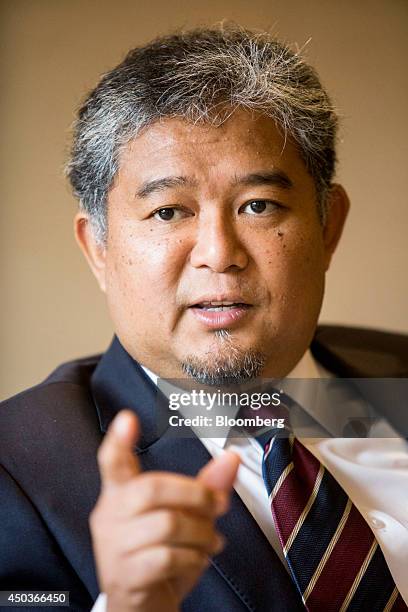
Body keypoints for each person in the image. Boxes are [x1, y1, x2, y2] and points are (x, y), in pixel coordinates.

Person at [0, 24, 407, 612]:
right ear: (100, 250)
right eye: (168, 211)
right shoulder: (17, 467)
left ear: (328, 227)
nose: (219, 252)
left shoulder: (392, 378)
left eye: (258, 206)